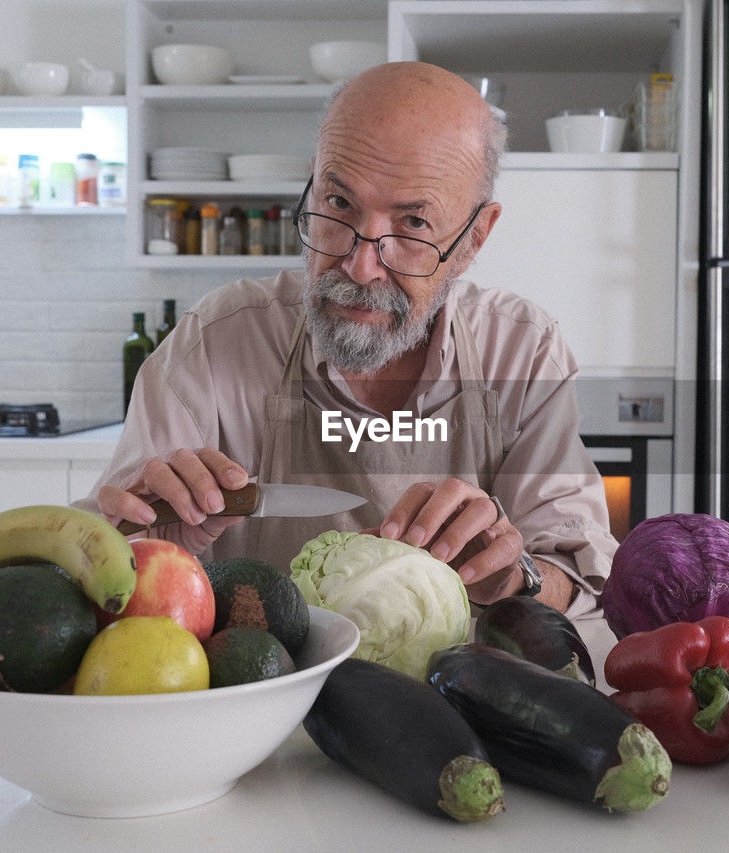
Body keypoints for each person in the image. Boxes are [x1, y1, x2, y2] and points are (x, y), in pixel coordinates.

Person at [80, 62, 616, 616]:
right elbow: (95, 567)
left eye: (412, 224)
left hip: (460, 700)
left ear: (474, 238)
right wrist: (149, 544)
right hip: (264, 697)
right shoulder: (215, 344)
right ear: (314, 181)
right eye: (338, 205)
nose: (360, 267)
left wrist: (512, 577)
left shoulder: (523, 353)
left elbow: (579, 578)